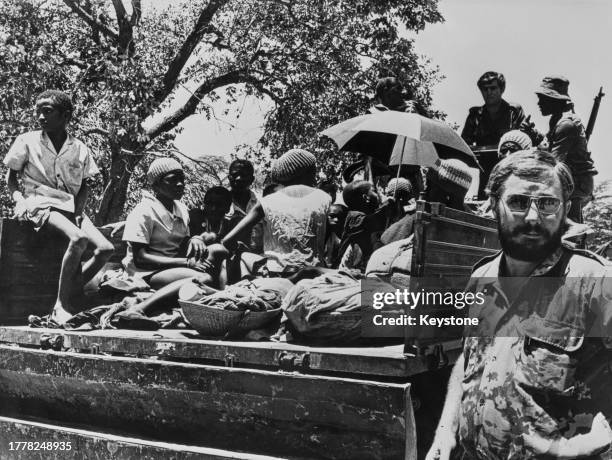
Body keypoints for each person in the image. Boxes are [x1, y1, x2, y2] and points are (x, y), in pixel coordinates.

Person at [426, 150, 612, 460]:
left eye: (547, 203)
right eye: (518, 202)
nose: (533, 217)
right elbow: (467, 359)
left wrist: (578, 448)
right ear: (492, 206)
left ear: (566, 209)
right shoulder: (481, 276)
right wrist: (445, 429)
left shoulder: (594, 282)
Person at [4, 90, 114, 324]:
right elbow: (10, 179)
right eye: (38, 111)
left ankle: (70, 293)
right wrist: (19, 200)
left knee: (105, 249)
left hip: (69, 206)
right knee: (78, 239)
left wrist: (77, 213)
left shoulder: (80, 148)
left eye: (47, 111)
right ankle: (60, 305)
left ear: (65, 116)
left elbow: (84, 186)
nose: (40, 116)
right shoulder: (27, 141)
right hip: (39, 204)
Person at [119, 158, 227, 319]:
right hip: (146, 272)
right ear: (156, 185)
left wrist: (195, 238)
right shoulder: (144, 211)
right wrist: (186, 263)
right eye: (173, 180)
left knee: (219, 250)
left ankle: (224, 298)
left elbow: (184, 241)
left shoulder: (181, 209)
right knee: (202, 278)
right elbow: (140, 258)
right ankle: (140, 308)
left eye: (182, 179)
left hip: (170, 267)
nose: (180, 184)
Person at [222, 149, 331, 275]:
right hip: (315, 272)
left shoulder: (267, 202)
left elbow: (227, 241)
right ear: (308, 173)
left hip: (277, 273)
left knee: (243, 258)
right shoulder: (324, 197)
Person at [533, 76, 597, 223]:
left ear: (555, 100)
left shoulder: (566, 124)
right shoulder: (557, 119)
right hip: (570, 180)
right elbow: (549, 144)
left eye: (543, 98)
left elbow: (553, 163)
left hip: (576, 184)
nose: (539, 103)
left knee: (567, 230)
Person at [461, 72, 528, 199]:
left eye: (493, 88)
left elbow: (522, 142)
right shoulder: (475, 114)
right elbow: (465, 144)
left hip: (508, 166)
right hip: (483, 168)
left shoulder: (513, 111)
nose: (489, 92)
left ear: (502, 89)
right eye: (485, 89)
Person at [369, 76, 427, 195]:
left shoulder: (412, 109)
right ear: (386, 93)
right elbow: (368, 157)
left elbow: (427, 134)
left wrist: (415, 115)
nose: (403, 92)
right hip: (385, 178)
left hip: (412, 175)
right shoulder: (374, 114)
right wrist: (371, 187)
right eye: (398, 89)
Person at [337, 180, 396, 272]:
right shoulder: (353, 216)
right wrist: (386, 206)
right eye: (375, 191)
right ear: (366, 198)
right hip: (347, 270)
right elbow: (370, 222)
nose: (379, 194)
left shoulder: (365, 215)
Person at [226, 159, 263, 253]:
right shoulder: (218, 202)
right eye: (235, 175)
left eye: (243, 175)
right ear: (229, 177)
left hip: (257, 257)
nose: (239, 178)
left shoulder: (262, 202)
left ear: (252, 179)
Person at [323, 203, 348, 268]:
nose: (336, 220)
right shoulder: (322, 236)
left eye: (340, 217)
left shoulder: (346, 238)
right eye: (332, 216)